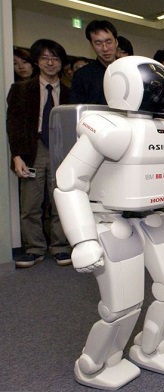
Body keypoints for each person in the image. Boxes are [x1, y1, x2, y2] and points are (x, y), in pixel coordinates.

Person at [53, 56, 164, 389]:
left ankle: (153, 347)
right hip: (111, 221)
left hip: (154, 218)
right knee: (123, 305)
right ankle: (95, 364)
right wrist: (83, 239)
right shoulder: (110, 129)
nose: (160, 91)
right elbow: (69, 182)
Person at [6, 38, 72, 267]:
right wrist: (16, 156)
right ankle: (34, 248)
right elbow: (12, 125)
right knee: (30, 204)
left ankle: (61, 247)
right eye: (45, 58)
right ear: (37, 61)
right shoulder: (21, 89)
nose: (50, 62)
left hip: (62, 150)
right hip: (33, 150)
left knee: (60, 200)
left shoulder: (70, 92)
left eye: (55, 58)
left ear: (61, 62)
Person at [70, 19, 118, 104]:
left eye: (109, 42)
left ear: (116, 42)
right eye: (98, 43)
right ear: (92, 45)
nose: (105, 48)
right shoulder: (82, 75)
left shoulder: (130, 71)